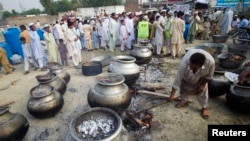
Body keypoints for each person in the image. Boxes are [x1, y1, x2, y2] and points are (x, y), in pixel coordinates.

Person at [168, 49, 215, 119]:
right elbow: (177, 80)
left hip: (201, 76)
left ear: (200, 65)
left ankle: (204, 107)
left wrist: (202, 84)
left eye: (194, 67)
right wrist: (172, 96)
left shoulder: (210, 63)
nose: (191, 67)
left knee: (203, 91)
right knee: (183, 84)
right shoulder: (184, 64)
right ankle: (184, 101)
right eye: (190, 65)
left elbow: (209, 76)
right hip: (186, 76)